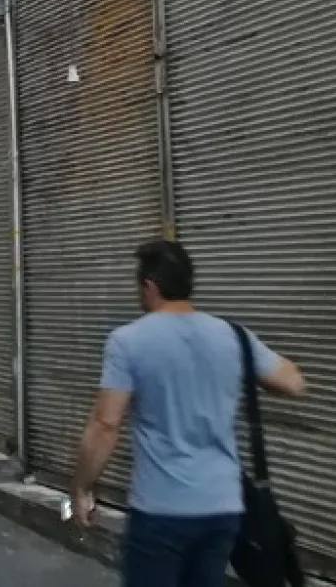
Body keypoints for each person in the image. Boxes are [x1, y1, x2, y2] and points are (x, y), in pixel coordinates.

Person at [71, 240, 305, 587]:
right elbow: (294, 383)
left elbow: (106, 424)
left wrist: (81, 488)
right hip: (222, 509)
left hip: (161, 509)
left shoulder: (128, 341)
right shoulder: (233, 336)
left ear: (149, 286)